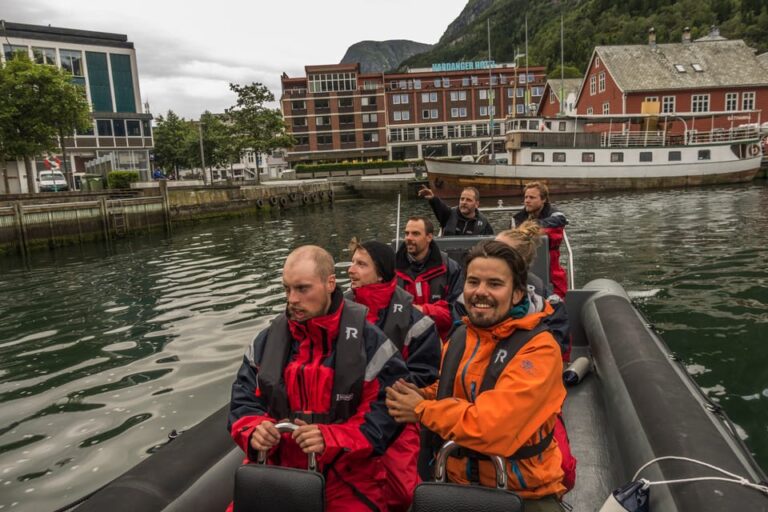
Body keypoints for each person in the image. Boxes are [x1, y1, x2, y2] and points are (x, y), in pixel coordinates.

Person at [386, 240, 567, 511]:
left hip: (524, 493)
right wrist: (419, 395)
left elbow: (495, 427)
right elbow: (455, 388)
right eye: (473, 282)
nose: (480, 292)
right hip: (455, 483)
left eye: (494, 284)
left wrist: (422, 409)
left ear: (517, 294)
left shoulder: (539, 349)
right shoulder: (461, 336)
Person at [228, 245, 409, 512]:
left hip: (347, 476)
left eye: (302, 289)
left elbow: (387, 412)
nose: (292, 299)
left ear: (330, 283)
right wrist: (255, 430)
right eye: (287, 289)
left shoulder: (368, 342)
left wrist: (331, 438)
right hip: (277, 471)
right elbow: (243, 401)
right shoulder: (267, 341)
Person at [347, 239, 442, 511]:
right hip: (346, 416)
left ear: (381, 273)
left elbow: (424, 375)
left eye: (361, 264)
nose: (351, 270)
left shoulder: (416, 323)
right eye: (352, 262)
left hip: (396, 415)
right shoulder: (339, 313)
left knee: (400, 494)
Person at [395, 216, 464, 340]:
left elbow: (458, 312)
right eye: (406, 233)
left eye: (415, 234)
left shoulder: (451, 268)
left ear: (429, 237)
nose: (409, 238)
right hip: (404, 342)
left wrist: (423, 310)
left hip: (442, 340)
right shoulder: (391, 270)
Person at [513, 182, 568, 299]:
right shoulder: (517, 218)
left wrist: (531, 226)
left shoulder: (555, 215)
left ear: (543, 200)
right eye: (526, 197)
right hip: (522, 264)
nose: (527, 201)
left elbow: (561, 219)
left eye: (532, 197)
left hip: (551, 265)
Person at [418, 185, 494, 236]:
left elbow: (491, 245)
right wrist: (432, 198)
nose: (464, 202)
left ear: (477, 204)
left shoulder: (484, 223)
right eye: (462, 199)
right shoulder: (448, 214)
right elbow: (439, 206)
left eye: (468, 200)